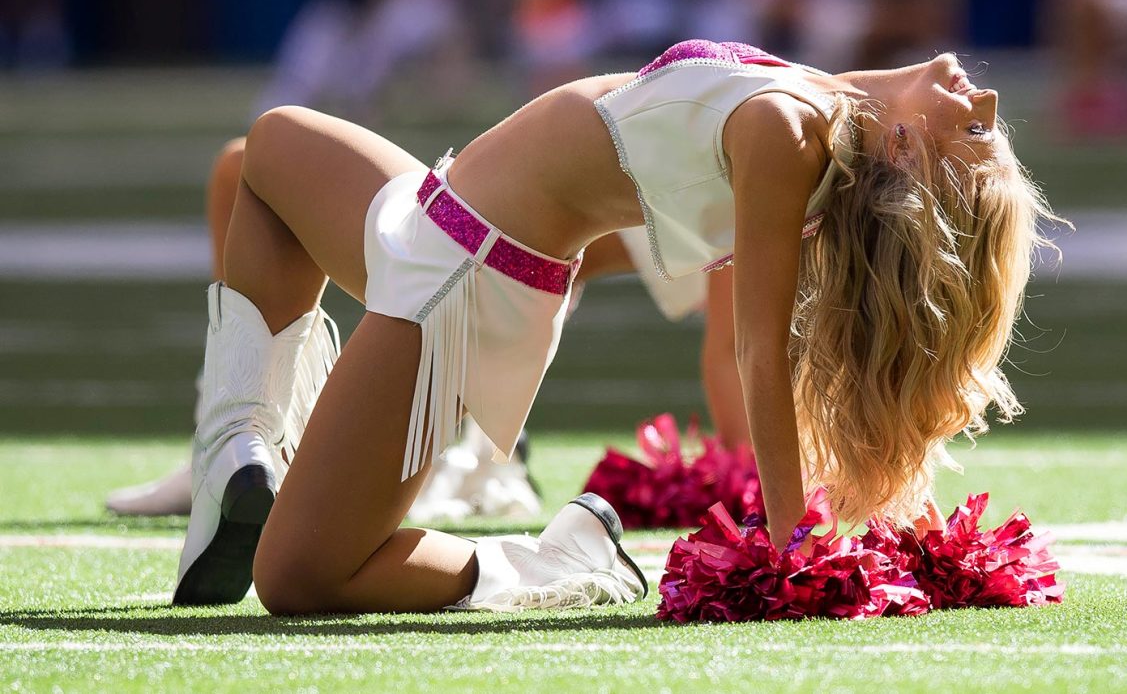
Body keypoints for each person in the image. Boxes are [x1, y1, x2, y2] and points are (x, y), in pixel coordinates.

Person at [173, 38, 1053, 614]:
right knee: (270, 151)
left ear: (911, 158)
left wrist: (794, 550)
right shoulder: (819, 100)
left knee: (296, 578)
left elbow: (758, 351)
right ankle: (237, 447)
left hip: (460, 286)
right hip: (435, 211)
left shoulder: (793, 135)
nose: (986, 97)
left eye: (976, 132)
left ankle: (558, 565)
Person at [105, 142, 745, 519]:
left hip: (482, 237)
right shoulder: (751, 155)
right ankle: (234, 433)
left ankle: (238, 434)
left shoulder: (751, 171)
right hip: (480, 215)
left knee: (245, 166)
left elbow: (736, 354)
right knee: (240, 167)